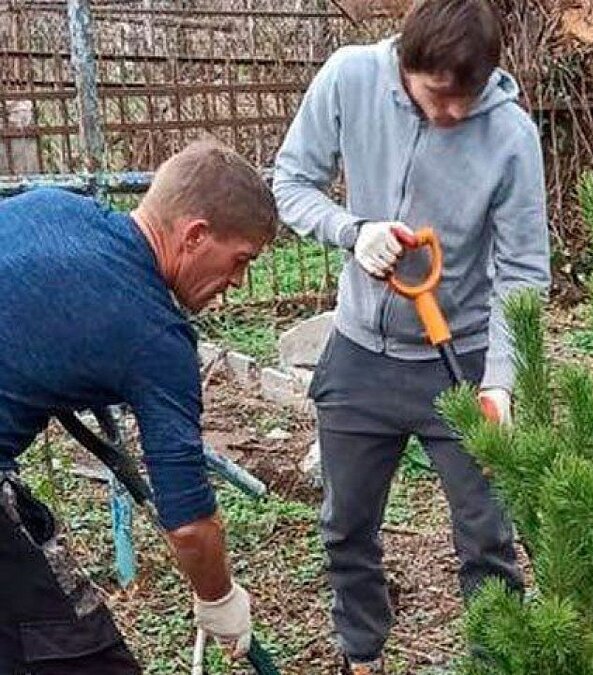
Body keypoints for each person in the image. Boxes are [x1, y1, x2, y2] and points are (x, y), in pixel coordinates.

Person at [272, 0, 550, 671]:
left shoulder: (511, 136)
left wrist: (501, 382)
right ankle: (361, 655)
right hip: (360, 356)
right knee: (345, 526)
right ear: (406, 62)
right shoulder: (349, 78)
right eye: (436, 94)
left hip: (461, 358)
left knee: (487, 537)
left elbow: (522, 271)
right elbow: (291, 182)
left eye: (466, 98)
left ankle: (497, 661)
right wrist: (353, 231)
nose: (451, 113)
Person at [0, 139, 277, 674]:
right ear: (195, 236)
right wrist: (220, 599)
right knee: (79, 654)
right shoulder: (155, 336)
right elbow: (189, 523)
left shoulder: (53, 205)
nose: (237, 281)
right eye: (240, 259)